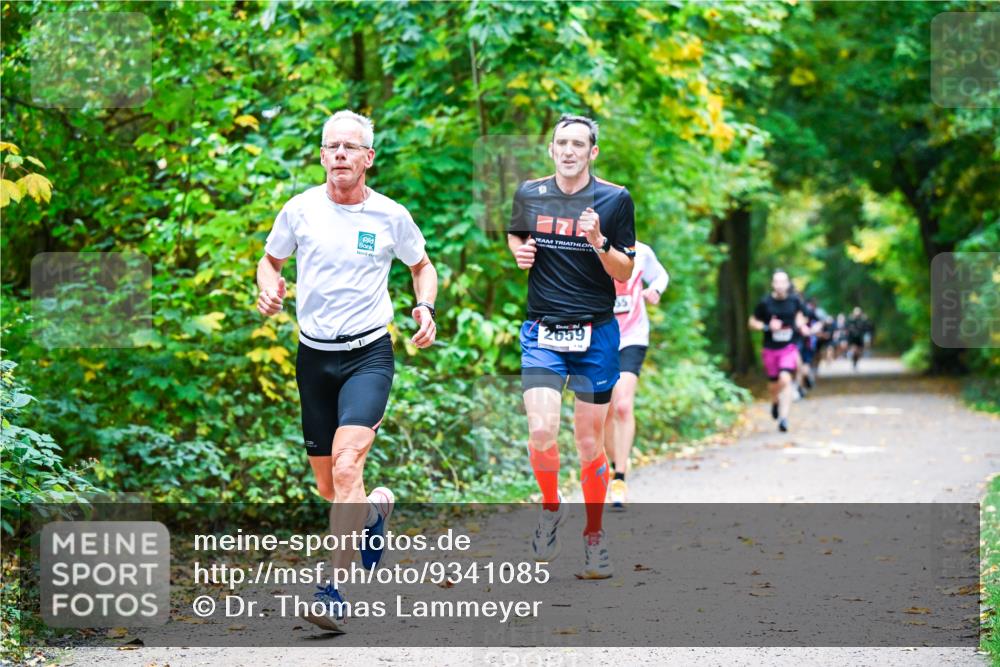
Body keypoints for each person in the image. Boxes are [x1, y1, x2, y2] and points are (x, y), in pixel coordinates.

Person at [256, 110, 438, 631]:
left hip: (368, 354)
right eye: (331, 146)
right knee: (330, 488)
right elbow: (270, 261)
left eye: (349, 147)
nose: (339, 153)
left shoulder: (390, 216)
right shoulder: (299, 210)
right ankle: (375, 513)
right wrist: (268, 288)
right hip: (313, 358)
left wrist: (424, 306)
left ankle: (331, 591)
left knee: (346, 466)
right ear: (321, 156)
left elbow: (422, 266)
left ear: (368, 158)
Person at [507, 114, 636, 579]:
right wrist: (518, 251)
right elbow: (516, 233)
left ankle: (594, 535)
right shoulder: (530, 193)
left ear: (592, 152)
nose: (568, 151)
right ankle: (550, 506)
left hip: (595, 334)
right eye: (562, 143)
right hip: (543, 331)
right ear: (551, 149)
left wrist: (598, 241)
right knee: (542, 430)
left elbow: (624, 271)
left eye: (578, 144)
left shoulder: (615, 199)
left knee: (587, 443)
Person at [603, 241, 669, 510]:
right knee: (604, 410)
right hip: (600, 337)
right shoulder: (591, 247)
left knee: (622, 404)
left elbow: (661, 275)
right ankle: (614, 464)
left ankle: (619, 478)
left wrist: (655, 290)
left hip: (633, 336)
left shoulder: (641, 251)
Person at [749, 270, 809, 432]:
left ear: (788, 284)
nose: (780, 285)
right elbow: (752, 322)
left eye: (783, 282)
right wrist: (766, 326)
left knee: (786, 379)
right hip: (770, 349)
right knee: (773, 384)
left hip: (788, 348)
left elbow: (803, 316)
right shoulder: (765, 303)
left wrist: (801, 324)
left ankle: (784, 418)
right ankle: (775, 401)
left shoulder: (795, 301)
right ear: (773, 284)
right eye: (777, 282)